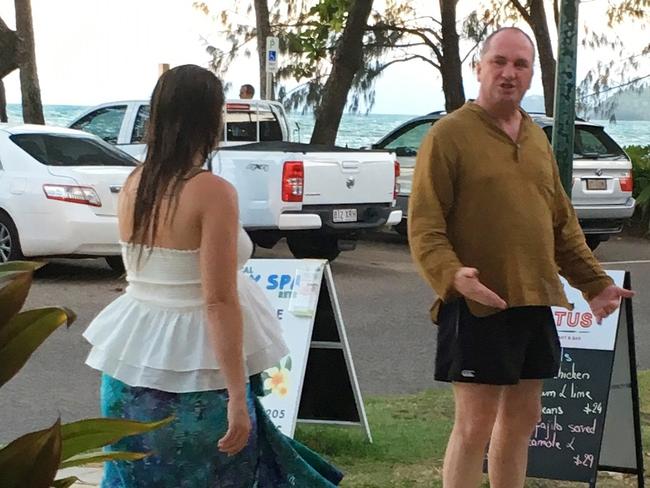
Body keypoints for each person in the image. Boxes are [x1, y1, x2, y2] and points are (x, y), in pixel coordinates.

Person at [83, 64, 342, 487]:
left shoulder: (134, 183)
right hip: (199, 382)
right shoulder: (211, 192)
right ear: (211, 118)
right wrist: (239, 397)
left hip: (130, 371)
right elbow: (217, 300)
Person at [408, 27, 633, 488]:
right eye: (499, 62)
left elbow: (560, 225)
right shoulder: (448, 135)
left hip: (534, 298)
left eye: (520, 65)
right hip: (477, 303)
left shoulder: (535, 138)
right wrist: (453, 276)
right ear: (480, 67)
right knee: (474, 425)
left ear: (530, 75)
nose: (509, 73)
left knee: (523, 419)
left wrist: (596, 283)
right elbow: (424, 226)